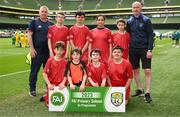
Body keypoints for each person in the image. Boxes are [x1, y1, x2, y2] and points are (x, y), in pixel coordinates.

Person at [126, 1, 154, 103]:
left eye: (137, 7)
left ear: (141, 8)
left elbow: (151, 35)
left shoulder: (146, 20)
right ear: (132, 9)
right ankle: (140, 89)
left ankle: (147, 92)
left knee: (147, 70)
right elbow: (128, 36)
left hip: (144, 48)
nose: (136, 9)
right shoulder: (129, 21)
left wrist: (150, 49)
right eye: (134, 7)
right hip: (133, 49)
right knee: (135, 70)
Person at [28, 6, 53, 97]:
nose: (44, 13)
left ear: (48, 13)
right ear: (39, 12)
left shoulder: (51, 24)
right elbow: (29, 35)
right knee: (34, 71)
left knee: (49, 72)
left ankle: (48, 89)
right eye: (42, 11)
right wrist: (31, 48)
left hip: (48, 52)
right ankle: (32, 89)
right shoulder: (34, 22)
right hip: (37, 52)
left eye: (45, 11)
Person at [43, 41, 67, 107]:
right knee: (49, 104)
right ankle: (46, 94)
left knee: (64, 103)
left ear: (64, 51)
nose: (59, 52)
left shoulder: (65, 62)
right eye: (57, 50)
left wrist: (63, 83)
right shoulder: (50, 61)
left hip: (62, 85)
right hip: (52, 85)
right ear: (54, 50)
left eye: (61, 50)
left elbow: (67, 75)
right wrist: (49, 84)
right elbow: (44, 73)